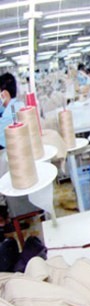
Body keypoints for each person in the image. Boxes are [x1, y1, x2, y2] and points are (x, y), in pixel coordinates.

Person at [0, 73, 25, 230]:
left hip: (10, 157)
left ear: (4, 94)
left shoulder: (10, 113)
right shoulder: (18, 105)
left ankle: (3, 218)